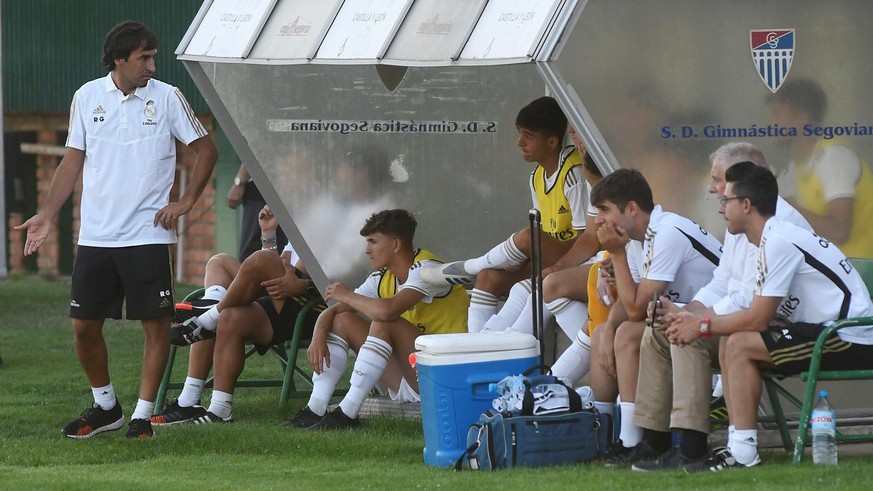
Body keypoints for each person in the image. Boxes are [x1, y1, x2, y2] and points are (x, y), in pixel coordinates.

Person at [14, 21, 218, 439]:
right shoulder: (86, 96)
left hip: (148, 235)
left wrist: (185, 203)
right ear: (119, 59)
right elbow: (72, 160)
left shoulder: (168, 97)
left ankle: (142, 416)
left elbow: (207, 151)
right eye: (144, 58)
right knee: (84, 326)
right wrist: (47, 214)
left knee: (155, 327)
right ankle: (106, 407)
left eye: (153, 57)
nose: (152, 66)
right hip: (96, 236)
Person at [662, 162, 873, 471]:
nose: (720, 208)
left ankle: (743, 452)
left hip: (848, 335)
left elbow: (758, 319)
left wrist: (701, 325)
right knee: (731, 340)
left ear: (746, 205)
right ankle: (738, 446)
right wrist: (692, 318)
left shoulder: (778, 242)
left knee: (739, 344)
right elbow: (747, 307)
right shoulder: (767, 239)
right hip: (821, 331)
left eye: (726, 200)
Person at [629, 143, 812, 472]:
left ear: (743, 183)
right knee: (661, 330)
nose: (712, 189)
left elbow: (749, 303)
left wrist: (692, 320)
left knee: (689, 336)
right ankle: (655, 441)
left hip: (784, 327)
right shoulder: (739, 219)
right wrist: (688, 312)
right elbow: (721, 283)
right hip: (751, 320)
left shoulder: (777, 225)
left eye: (718, 180)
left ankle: (692, 447)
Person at [421, 97, 601, 333]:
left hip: (575, 257)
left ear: (552, 141)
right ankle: (478, 340)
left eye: (528, 135)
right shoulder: (536, 177)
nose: (519, 142)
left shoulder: (574, 171)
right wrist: (523, 259)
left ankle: (470, 267)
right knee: (488, 277)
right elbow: (545, 234)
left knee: (528, 238)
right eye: (520, 133)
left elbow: (584, 238)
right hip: (553, 259)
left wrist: (549, 259)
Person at [583, 169, 721, 465]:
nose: (598, 221)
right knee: (606, 333)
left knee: (628, 334)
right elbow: (631, 299)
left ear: (631, 208)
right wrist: (608, 328)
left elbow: (635, 309)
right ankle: (611, 437)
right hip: (680, 318)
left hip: (717, 322)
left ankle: (636, 440)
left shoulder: (666, 232)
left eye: (605, 210)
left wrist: (616, 255)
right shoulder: (636, 238)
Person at [285, 209, 470, 430]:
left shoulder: (426, 269)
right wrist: (318, 337)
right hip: (410, 376)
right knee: (343, 320)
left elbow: (387, 312)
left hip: (444, 376)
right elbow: (332, 312)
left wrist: (347, 295)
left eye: (373, 242)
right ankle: (315, 409)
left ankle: (347, 413)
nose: (367, 250)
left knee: (384, 321)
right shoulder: (382, 277)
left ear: (396, 245)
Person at [151, 205, 321, 424]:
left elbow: (318, 279)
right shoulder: (304, 224)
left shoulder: (331, 225)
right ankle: (202, 405)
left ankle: (208, 316)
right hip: (281, 300)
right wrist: (269, 233)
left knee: (260, 261)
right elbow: (281, 267)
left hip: (308, 307)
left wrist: (305, 286)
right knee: (220, 265)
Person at [769, 78, 873, 258]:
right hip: (836, 268)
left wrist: (785, 207)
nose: (772, 122)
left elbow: (839, 231)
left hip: (861, 269)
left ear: (802, 118)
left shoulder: (833, 157)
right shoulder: (800, 163)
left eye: (778, 113)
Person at [227, 163, 287, 261]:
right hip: (267, 187)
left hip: (265, 186)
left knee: (251, 254)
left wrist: (239, 182)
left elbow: (251, 155)